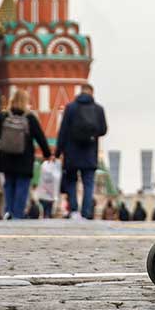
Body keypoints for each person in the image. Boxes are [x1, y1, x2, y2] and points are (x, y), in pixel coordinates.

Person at [0, 88, 52, 221]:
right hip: (24, 158)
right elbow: (40, 137)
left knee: (9, 184)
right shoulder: (30, 117)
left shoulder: (4, 116)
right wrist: (48, 154)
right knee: (22, 186)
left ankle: (8, 211)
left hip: (7, 156)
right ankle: (17, 214)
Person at [57, 84, 109, 220]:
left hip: (71, 153)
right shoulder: (98, 109)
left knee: (71, 181)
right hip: (90, 152)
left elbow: (63, 131)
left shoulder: (70, 108)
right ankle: (86, 212)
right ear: (92, 93)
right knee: (88, 183)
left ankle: (74, 210)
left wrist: (58, 152)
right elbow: (103, 130)